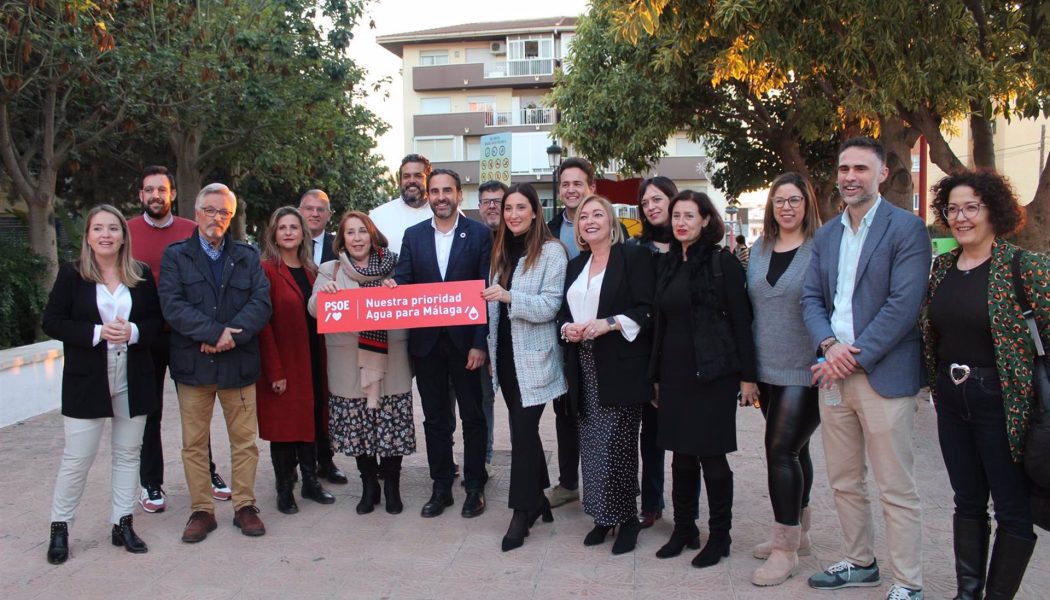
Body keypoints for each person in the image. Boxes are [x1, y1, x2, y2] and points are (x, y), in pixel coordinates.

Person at [801, 137, 930, 600]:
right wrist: (830, 345)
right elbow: (812, 298)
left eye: (860, 168)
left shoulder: (906, 229)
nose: (849, 177)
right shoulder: (829, 233)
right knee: (844, 480)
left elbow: (903, 304)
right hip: (833, 376)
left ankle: (909, 582)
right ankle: (860, 562)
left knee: (896, 486)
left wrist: (849, 356)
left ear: (881, 174)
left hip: (881, 375)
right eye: (843, 169)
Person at [921, 170, 1045, 600]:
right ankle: (967, 594)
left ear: (994, 210)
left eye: (971, 206)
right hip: (952, 399)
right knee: (967, 501)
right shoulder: (940, 269)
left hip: (1003, 403)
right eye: (953, 208)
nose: (961, 217)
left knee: (1012, 509)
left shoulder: (1023, 266)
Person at [43, 205, 163, 564]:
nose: (106, 234)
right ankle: (60, 527)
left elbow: (157, 322)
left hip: (133, 373)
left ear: (124, 235)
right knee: (77, 458)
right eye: (98, 228)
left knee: (128, 455)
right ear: (88, 236)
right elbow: (52, 321)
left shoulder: (139, 274)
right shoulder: (72, 275)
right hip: (87, 377)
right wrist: (97, 332)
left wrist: (134, 331)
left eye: (113, 228)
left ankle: (122, 523)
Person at [649, 191, 757, 568]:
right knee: (680, 457)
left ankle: (720, 536)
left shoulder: (721, 263)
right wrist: (656, 377)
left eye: (689, 216)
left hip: (714, 374)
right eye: (676, 215)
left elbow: (743, 322)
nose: (680, 222)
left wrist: (749, 378)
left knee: (712, 458)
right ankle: (684, 528)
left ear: (706, 220)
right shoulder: (667, 264)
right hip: (674, 374)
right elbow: (660, 324)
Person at [159, 183, 272, 543]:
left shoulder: (247, 255)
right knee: (194, 443)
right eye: (210, 209)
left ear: (232, 216)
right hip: (194, 366)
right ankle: (202, 511)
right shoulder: (177, 255)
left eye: (224, 211)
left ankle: (245, 506)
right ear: (196, 212)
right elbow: (173, 305)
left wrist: (229, 338)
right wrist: (213, 334)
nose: (216, 217)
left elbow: (260, 304)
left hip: (238, 364)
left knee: (244, 442)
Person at [386, 168, 492, 518]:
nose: (441, 196)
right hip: (427, 344)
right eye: (435, 191)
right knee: (435, 419)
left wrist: (480, 343)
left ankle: (474, 486)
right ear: (428, 196)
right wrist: (391, 288)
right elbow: (404, 281)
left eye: (448, 190)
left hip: (467, 344)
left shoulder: (478, 234)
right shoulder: (413, 235)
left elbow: (484, 290)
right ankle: (442, 486)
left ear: (460, 194)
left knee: (474, 418)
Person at [127, 166, 231, 513]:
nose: (156, 195)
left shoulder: (191, 230)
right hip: (144, 337)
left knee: (196, 411)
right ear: (141, 195)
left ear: (172, 194)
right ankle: (151, 482)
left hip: (187, 336)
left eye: (162, 189)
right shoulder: (127, 232)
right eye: (149, 189)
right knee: (149, 412)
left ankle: (208, 474)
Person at [558, 194, 655, 555]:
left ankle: (627, 518)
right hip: (582, 366)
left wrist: (609, 324)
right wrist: (567, 328)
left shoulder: (633, 257)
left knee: (619, 445)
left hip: (619, 366)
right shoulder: (576, 264)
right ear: (578, 227)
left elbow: (647, 309)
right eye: (584, 217)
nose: (590, 220)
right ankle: (602, 515)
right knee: (592, 446)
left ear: (612, 222)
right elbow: (563, 312)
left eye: (598, 214)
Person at [309, 211, 415, 515]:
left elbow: (414, 301)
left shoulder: (394, 265)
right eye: (350, 233)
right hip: (348, 363)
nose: (357, 238)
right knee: (359, 429)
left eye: (362, 232)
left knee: (391, 426)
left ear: (372, 235)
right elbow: (314, 309)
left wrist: (399, 289)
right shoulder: (329, 270)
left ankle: (392, 486)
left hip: (391, 359)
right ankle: (370, 487)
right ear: (342, 239)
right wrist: (325, 295)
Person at [746, 173, 823, 586]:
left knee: (780, 451)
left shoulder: (821, 248)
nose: (787, 207)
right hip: (766, 370)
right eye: (779, 200)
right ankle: (800, 530)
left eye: (794, 200)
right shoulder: (759, 249)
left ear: (807, 203)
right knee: (797, 449)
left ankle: (784, 548)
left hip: (804, 369)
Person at [482, 183, 567, 551]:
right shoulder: (500, 250)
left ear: (535, 211)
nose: (513, 214)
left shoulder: (552, 252)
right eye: (508, 209)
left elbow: (549, 306)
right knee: (524, 431)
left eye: (521, 207)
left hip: (534, 360)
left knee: (521, 432)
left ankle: (520, 513)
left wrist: (509, 296)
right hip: (504, 357)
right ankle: (539, 500)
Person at [256, 207, 335, 515]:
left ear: (303, 233)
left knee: (311, 421)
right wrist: (274, 369)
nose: (288, 232)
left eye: (294, 227)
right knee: (284, 429)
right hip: (285, 361)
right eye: (282, 227)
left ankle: (311, 482)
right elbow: (263, 324)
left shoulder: (314, 271)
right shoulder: (265, 270)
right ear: (273, 233)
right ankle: (284, 488)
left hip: (314, 359)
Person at [545, 157, 596, 509]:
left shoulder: (610, 225)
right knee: (564, 410)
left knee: (602, 411)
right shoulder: (548, 230)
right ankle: (567, 482)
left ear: (591, 187)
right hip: (561, 332)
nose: (571, 190)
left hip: (602, 332)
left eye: (577, 183)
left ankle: (605, 480)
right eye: (565, 184)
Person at [628, 175, 677, 529]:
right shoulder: (636, 249)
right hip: (643, 351)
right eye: (646, 203)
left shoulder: (690, 245)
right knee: (650, 432)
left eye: (658, 199)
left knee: (685, 435)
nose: (652, 207)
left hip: (682, 351)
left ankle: (684, 508)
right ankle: (652, 501)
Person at [297, 189, 347, 485]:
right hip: (295, 330)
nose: (314, 214)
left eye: (321, 209)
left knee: (326, 398)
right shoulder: (284, 241)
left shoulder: (338, 249)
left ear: (329, 215)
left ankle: (325, 460)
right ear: (299, 211)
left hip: (330, 335)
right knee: (300, 399)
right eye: (308, 208)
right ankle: (295, 462)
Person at [477, 179, 509, 467]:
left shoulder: (516, 241)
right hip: (475, 336)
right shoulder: (473, 238)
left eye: (497, 201)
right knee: (475, 403)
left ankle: (487, 459)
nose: (492, 206)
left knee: (491, 402)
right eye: (486, 201)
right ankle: (477, 460)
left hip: (508, 339)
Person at [369, 153, 433, 255]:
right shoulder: (378, 216)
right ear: (400, 181)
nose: (412, 181)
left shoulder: (446, 215)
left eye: (418, 176)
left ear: (429, 180)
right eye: (406, 176)